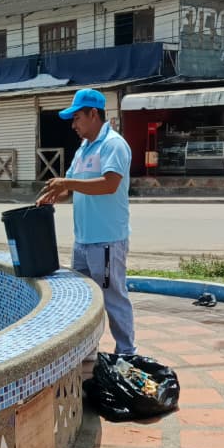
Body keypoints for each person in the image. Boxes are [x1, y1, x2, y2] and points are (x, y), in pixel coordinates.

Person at [36, 88, 136, 356]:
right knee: (84, 301)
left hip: (107, 240)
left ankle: (127, 353)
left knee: (113, 298)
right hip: (83, 241)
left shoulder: (113, 145)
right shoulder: (83, 149)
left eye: (77, 117)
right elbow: (72, 187)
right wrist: (55, 194)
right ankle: (88, 352)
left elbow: (109, 184)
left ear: (93, 114)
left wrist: (67, 183)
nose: (74, 125)